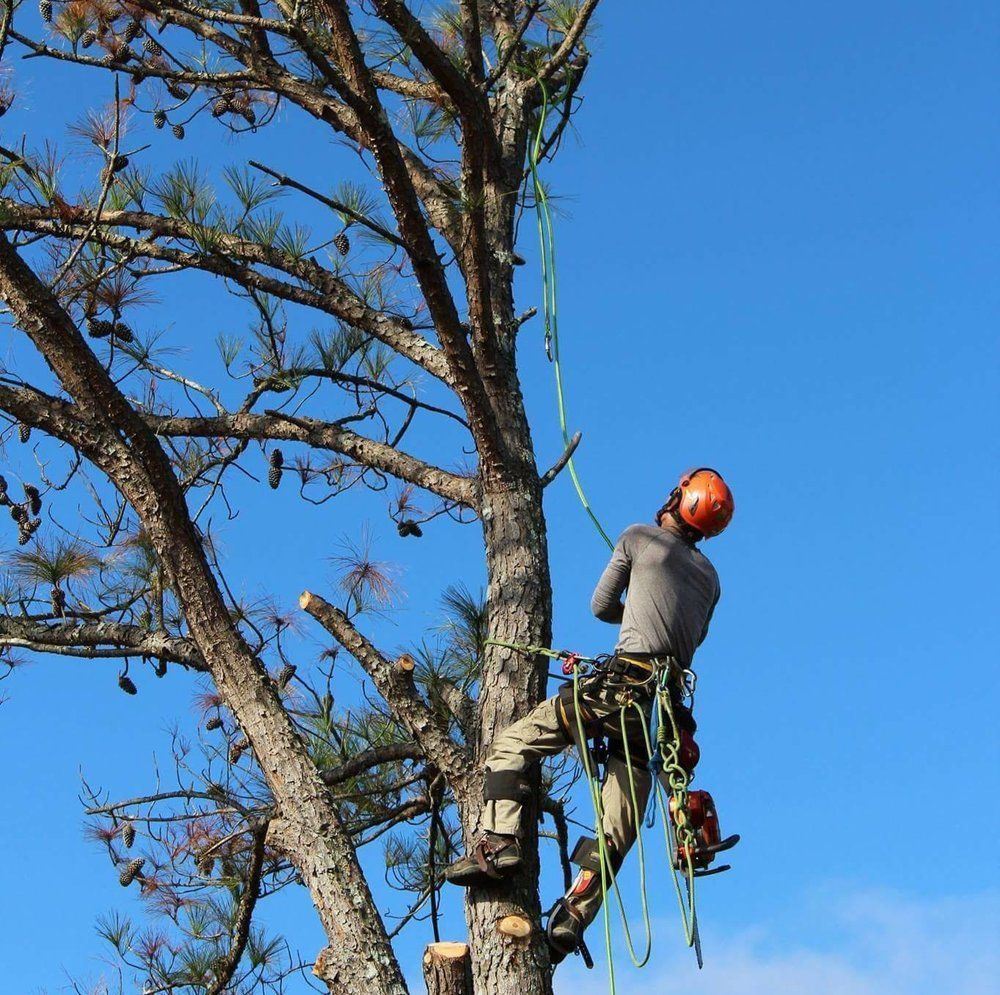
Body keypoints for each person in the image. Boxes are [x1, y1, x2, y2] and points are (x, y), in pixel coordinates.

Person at [445, 468, 735, 962]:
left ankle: (498, 844)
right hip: (659, 716)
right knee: (618, 823)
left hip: (618, 687)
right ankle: (572, 917)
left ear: (678, 496)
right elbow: (691, 639)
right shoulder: (711, 579)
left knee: (513, 744)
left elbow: (601, 606)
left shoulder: (639, 538)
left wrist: (637, 610)